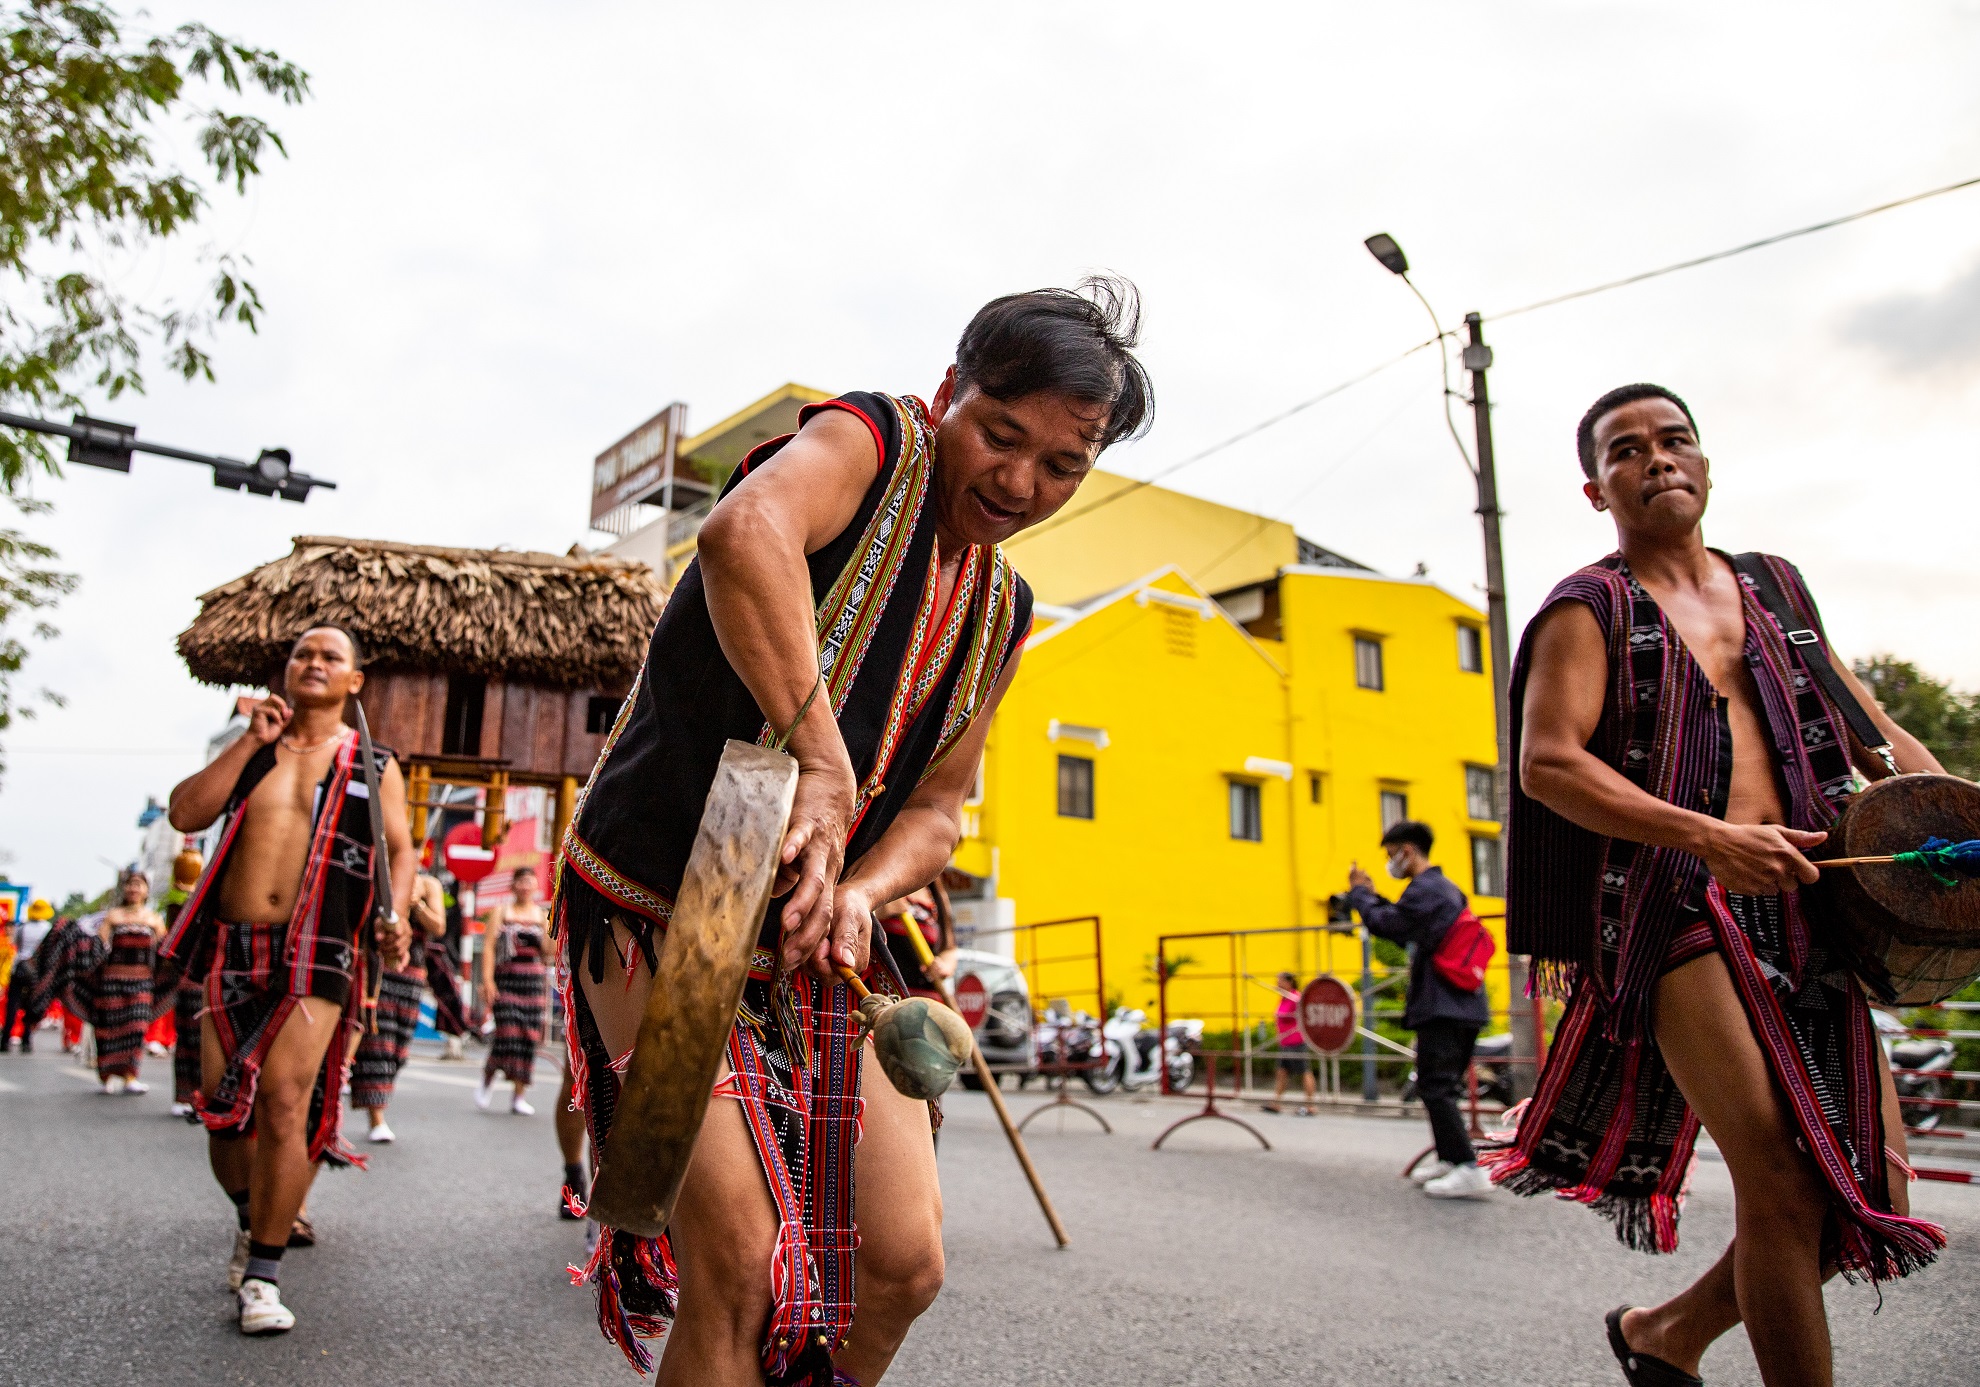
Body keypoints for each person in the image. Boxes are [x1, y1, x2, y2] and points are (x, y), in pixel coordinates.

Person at [558, 278, 1147, 1383]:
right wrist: (821, 760)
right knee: (735, 1270)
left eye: (1062, 465)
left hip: (824, 922)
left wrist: (864, 893)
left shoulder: (1003, 606)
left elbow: (939, 810)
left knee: (904, 1266)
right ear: (947, 397)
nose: (1019, 482)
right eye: (1000, 435)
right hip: (676, 887)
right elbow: (747, 531)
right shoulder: (870, 438)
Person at [1488, 384, 1945, 1387]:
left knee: (1870, 1181)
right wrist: (1706, 836)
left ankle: (1668, 1334)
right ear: (1594, 485)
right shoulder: (1588, 605)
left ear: (1704, 460)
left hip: (1813, 897)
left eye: (1674, 439)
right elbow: (1548, 763)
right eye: (1626, 450)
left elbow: (1873, 739)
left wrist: (1957, 812)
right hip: (1673, 902)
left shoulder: (1776, 587)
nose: (1656, 458)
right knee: (1781, 1180)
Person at [160, 625, 414, 1336]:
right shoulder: (254, 752)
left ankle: (263, 1274)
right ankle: (253, 1215)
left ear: (354, 681)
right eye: (304, 653)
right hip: (233, 942)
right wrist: (247, 739)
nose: (315, 662)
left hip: (322, 946)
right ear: (286, 669)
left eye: (331, 656)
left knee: (283, 1099)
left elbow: (400, 848)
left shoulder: (373, 760)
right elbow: (186, 813)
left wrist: (395, 914)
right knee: (221, 1107)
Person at [1346, 821, 1491, 1196]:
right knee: (1438, 1085)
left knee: (1436, 1086)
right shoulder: (1439, 890)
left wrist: (1361, 896)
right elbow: (1401, 919)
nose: (1389, 862)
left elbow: (1389, 925)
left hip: (1446, 1006)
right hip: (1457, 1003)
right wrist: (1370, 897)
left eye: (1390, 854)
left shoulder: (1428, 890)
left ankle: (1468, 1167)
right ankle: (1450, 1159)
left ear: (1407, 851)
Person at [350, 874, 444, 1142]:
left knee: (399, 1051)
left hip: (413, 974)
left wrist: (416, 905)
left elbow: (439, 927)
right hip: (379, 969)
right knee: (379, 1044)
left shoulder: (429, 885)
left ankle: (367, 1094)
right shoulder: (377, 872)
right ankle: (376, 1117)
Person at [83, 870, 167, 1093]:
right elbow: (99, 948)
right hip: (112, 981)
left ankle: (130, 1076)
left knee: (136, 1028)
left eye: (139, 884)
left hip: (142, 982)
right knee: (109, 1028)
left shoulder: (154, 919)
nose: (134, 889)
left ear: (147, 890)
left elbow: (165, 950)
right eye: (130, 884)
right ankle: (107, 1076)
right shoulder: (113, 916)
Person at [476, 865, 548, 1115]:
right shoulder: (501, 912)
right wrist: (487, 981)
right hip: (506, 979)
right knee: (507, 1032)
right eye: (521, 881)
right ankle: (488, 1075)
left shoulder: (541, 915)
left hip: (533, 983)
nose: (526, 886)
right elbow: (488, 948)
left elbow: (549, 953)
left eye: (531, 881)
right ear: (514, 885)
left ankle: (519, 1095)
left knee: (528, 1037)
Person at [874, 881, 957, 1002]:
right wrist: (879, 911)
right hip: (889, 998)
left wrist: (943, 966)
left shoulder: (935, 896)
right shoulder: (884, 881)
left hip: (929, 1001)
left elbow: (949, 947)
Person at [418, 875, 470, 1059]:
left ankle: (455, 1042)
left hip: (447, 956)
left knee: (452, 1002)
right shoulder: (438, 883)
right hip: (431, 954)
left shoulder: (456, 889)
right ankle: (453, 1042)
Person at [3, 897, 56, 1051]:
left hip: (19, 968)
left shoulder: (22, 927)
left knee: (12, 1006)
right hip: (36, 971)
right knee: (31, 1006)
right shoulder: (47, 928)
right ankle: (26, 1040)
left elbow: (17, 947)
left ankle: (5, 1039)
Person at [1261, 971, 1316, 1116]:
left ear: (1289, 982)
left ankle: (1310, 1106)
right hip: (1285, 1042)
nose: (1277, 984)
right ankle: (1276, 1103)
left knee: (1304, 1072)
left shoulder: (1295, 997)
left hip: (1296, 1041)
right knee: (1281, 1072)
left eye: (1280, 981)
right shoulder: (1284, 999)